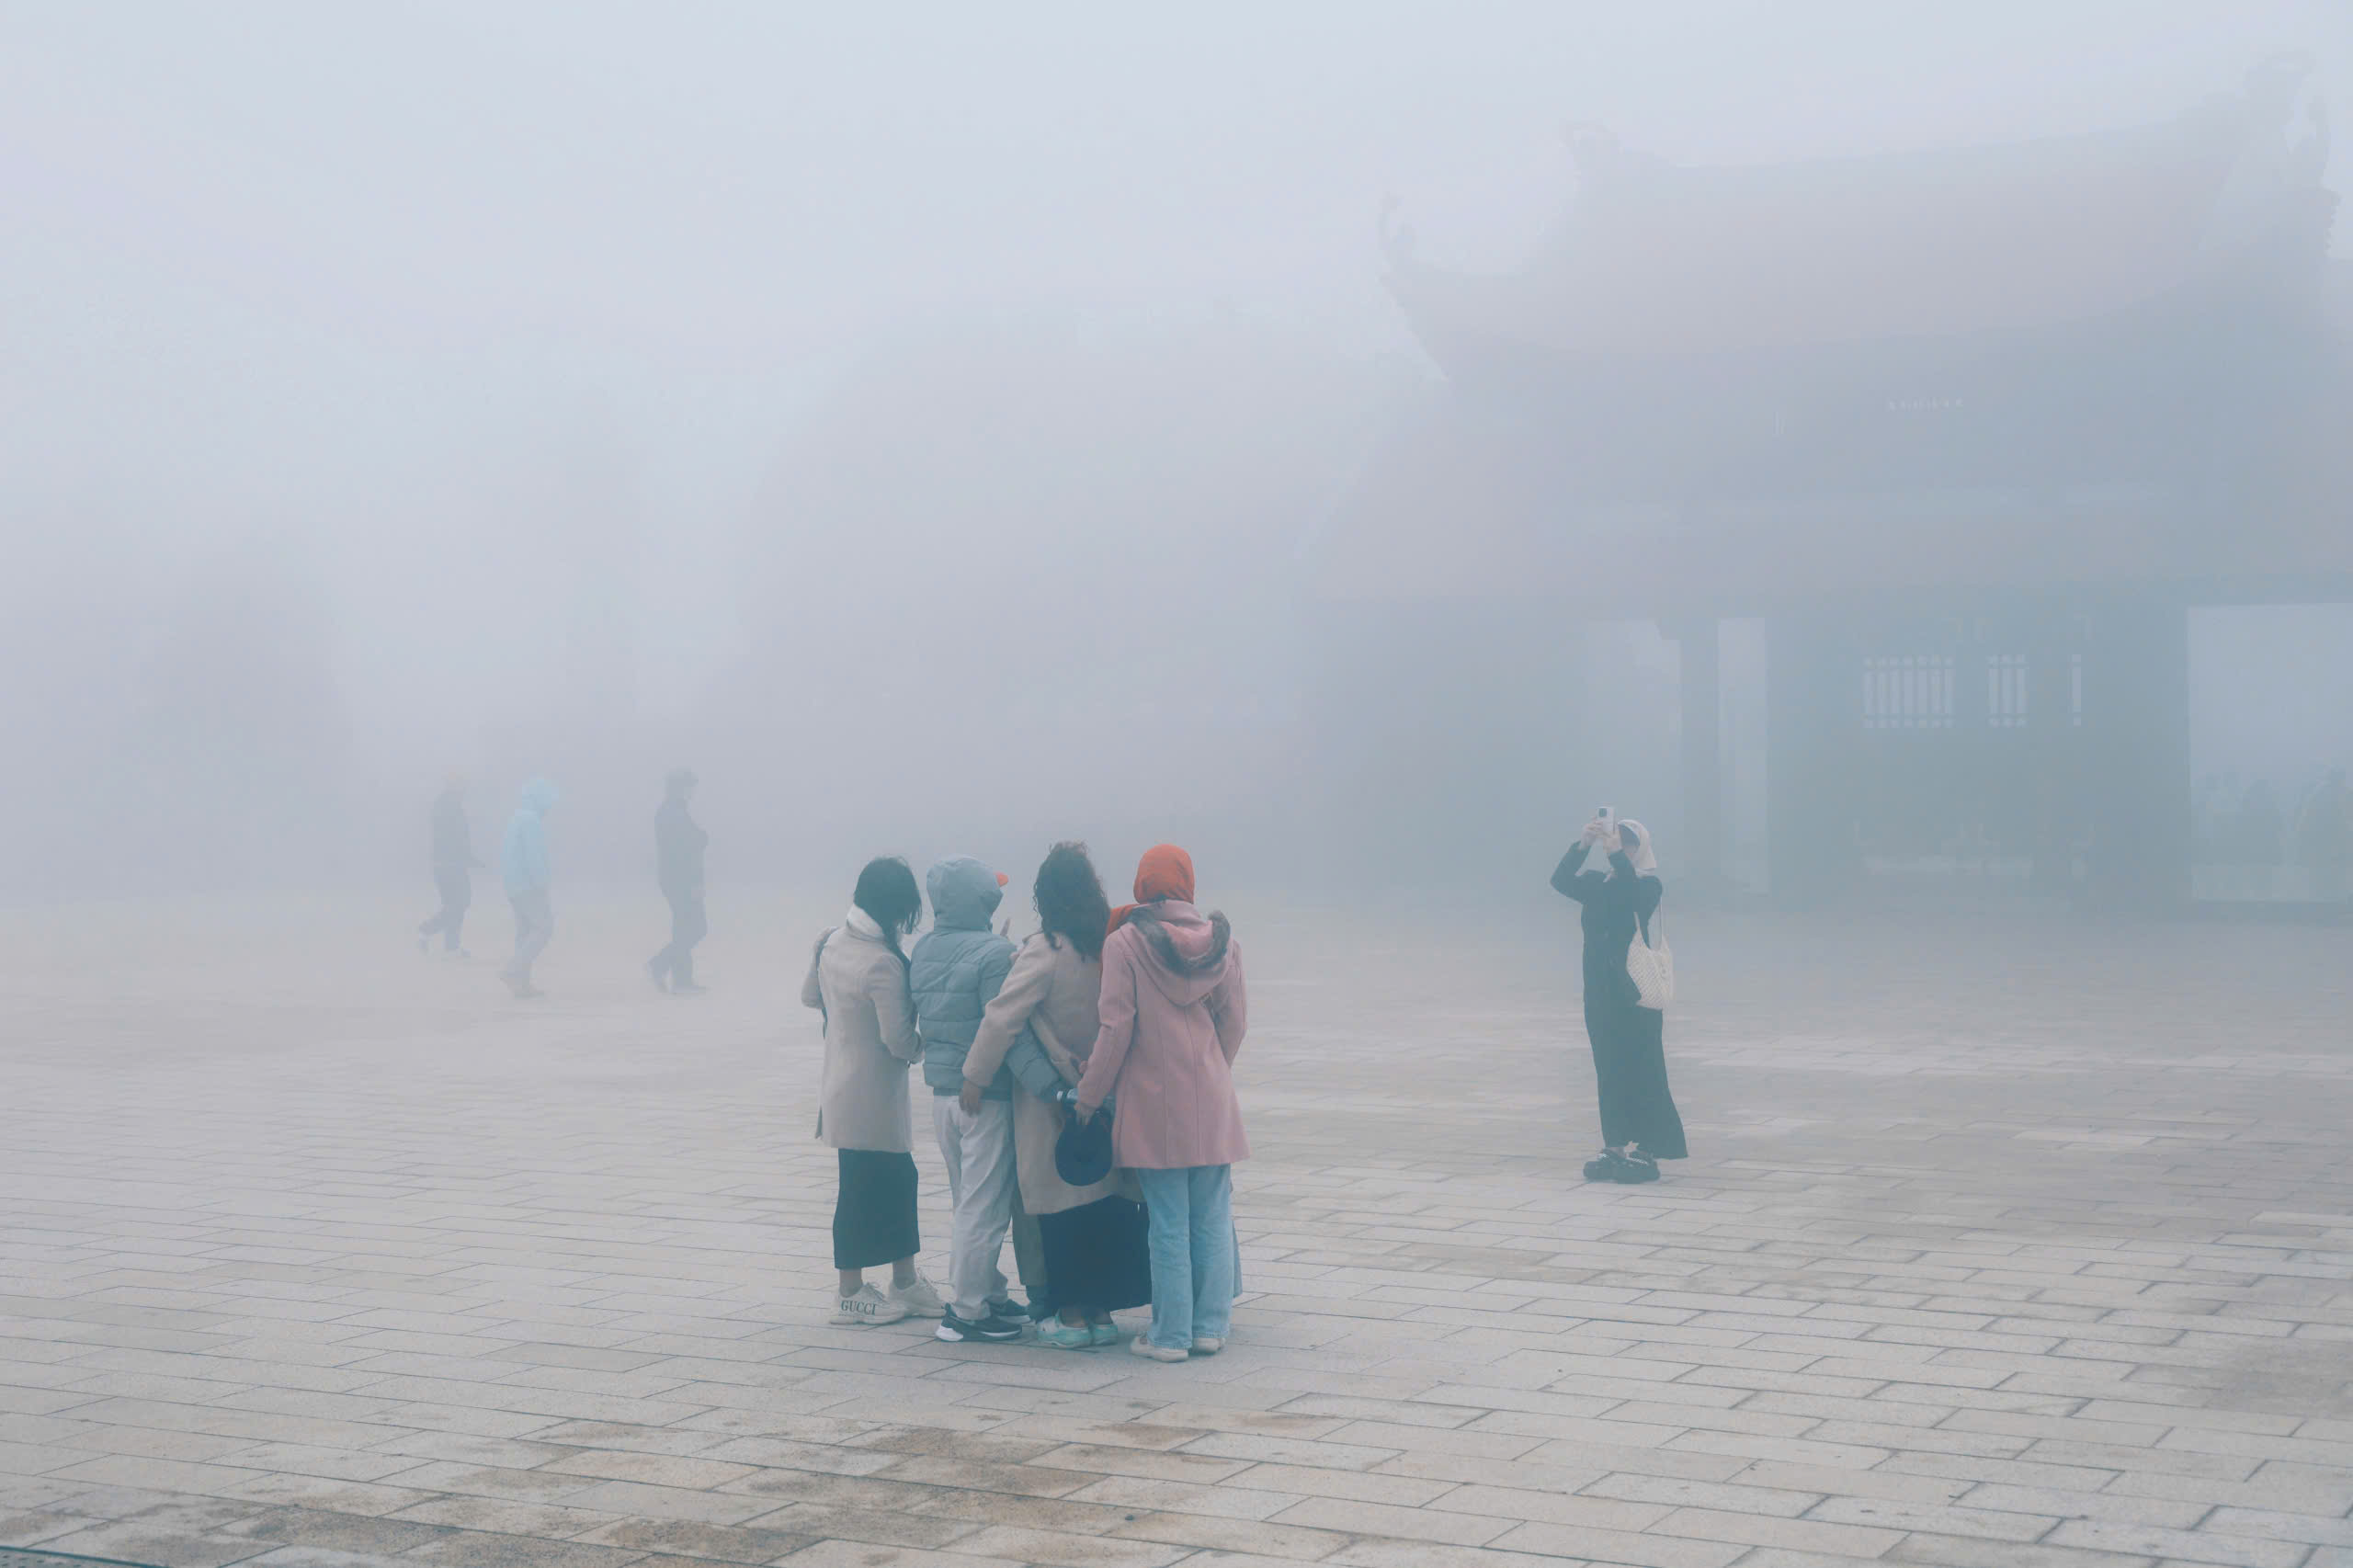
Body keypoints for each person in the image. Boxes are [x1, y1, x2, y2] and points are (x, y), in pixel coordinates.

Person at [964, 843, 1152, 1350]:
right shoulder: (1111, 946)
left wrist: (974, 1078)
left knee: (1063, 1204)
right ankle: (1101, 1314)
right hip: (1109, 1093)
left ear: (1045, 897)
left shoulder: (1044, 952)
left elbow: (1002, 1017)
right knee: (1104, 1200)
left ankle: (1069, 1318)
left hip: (1055, 1103)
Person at [1074, 845, 1248, 1362]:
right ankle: (1210, 1328)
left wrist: (1089, 1095)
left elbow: (1115, 1028)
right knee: (1213, 1214)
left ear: (1142, 886)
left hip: (1152, 1101)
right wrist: (1213, 1069)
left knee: (1167, 1220)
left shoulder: (1125, 943)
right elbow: (1235, 1023)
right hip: (1210, 1094)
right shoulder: (1223, 942)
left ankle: (1169, 1335)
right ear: (1188, 883)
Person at [801, 857, 947, 1326]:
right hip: (873, 1099)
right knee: (869, 1190)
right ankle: (851, 1293)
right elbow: (899, 1041)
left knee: (885, 1184)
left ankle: (901, 1281)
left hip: (842, 1091)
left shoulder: (833, 941)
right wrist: (932, 1042)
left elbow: (809, 996)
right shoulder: (883, 962)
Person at [912, 856, 1042, 1344]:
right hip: (985, 1098)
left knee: (966, 1199)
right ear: (984, 901)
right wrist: (1055, 1086)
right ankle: (965, 1312)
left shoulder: (924, 947)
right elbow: (1007, 1030)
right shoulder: (995, 954)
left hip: (943, 1097)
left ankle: (989, 1291)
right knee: (985, 1208)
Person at [1552, 814, 1687, 1183]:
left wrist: (1616, 859)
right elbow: (1560, 881)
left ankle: (1648, 1149)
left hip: (1636, 992)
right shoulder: (1597, 884)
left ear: (1639, 848)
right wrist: (1583, 844)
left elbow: (1631, 898)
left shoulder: (1648, 885)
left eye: (1628, 842)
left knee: (1645, 1068)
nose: (1621, 846)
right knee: (1608, 1070)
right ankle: (1614, 1146)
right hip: (1599, 991)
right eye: (1616, 840)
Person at [647, 768, 710, 994]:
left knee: (683, 928)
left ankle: (682, 981)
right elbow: (685, 850)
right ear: (679, 788)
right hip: (681, 881)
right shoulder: (672, 813)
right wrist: (695, 882)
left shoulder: (672, 811)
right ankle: (661, 966)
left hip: (674, 880)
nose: (692, 790)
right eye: (689, 786)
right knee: (696, 927)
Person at [498, 778, 560, 998]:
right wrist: (542, 882)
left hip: (513, 884)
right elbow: (533, 855)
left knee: (524, 934)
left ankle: (522, 984)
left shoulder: (517, 817)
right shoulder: (531, 820)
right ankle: (512, 971)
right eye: (548, 803)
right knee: (544, 928)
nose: (549, 808)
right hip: (528, 884)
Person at [415, 773, 481, 955]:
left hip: (450, 863)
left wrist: (469, 858)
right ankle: (429, 932)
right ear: (452, 785)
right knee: (459, 902)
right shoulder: (447, 805)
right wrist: (465, 857)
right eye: (462, 783)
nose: (465, 788)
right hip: (449, 864)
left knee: (456, 903)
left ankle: (448, 944)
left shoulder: (450, 804)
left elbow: (457, 836)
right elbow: (452, 837)